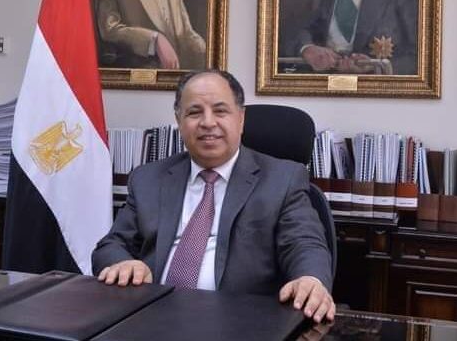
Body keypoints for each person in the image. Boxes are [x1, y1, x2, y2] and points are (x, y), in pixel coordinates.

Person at [92, 69, 335, 323]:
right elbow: (111, 245)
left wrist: (310, 278)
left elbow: (304, 243)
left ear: (240, 119)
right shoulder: (148, 179)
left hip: (240, 323)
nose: (208, 122)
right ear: (179, 121)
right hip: (152, 319)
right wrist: (122, 262)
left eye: (220, 111)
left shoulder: (282, 179)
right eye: (194, 112)